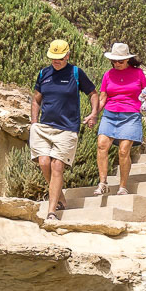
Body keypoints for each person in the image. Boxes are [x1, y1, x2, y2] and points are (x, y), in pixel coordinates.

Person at [30, 39, 100, 220]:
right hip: (43, 127)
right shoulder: (43, 73)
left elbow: (93, 93)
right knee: (44, 162)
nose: (56, 61)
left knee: (57, 165)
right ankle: (60, 196)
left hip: (67, 129)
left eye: (60, 58)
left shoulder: (76, 73)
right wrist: (34, 122)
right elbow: (36, 99)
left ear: (68, 55)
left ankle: (51, 212)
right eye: (53, 58)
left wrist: (93, 114)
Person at [96, 42, 146, 198]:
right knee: (101, 145)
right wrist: (94, 114)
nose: (117, 64)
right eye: (114, 61)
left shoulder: (138, 73)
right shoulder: (108, 75)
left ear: (127, 60)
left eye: (120, 61)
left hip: (131, 114)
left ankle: (123, 186)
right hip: (110, 113)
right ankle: (103, 183)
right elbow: (103, 98)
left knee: (123, 150)